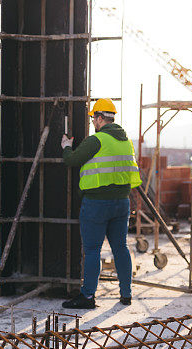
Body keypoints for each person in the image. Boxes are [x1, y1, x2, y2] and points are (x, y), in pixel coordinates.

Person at [60, 98, 141, 309]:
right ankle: (126, 294)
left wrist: (67, 147)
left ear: (98, 118)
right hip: (122, 203)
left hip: (97, 204)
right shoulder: (126, 141)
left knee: (93, 249)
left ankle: (87, 296)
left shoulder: (96, 140)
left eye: (93, 119)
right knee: (120, 248)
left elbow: (71, 160)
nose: (93, 123)